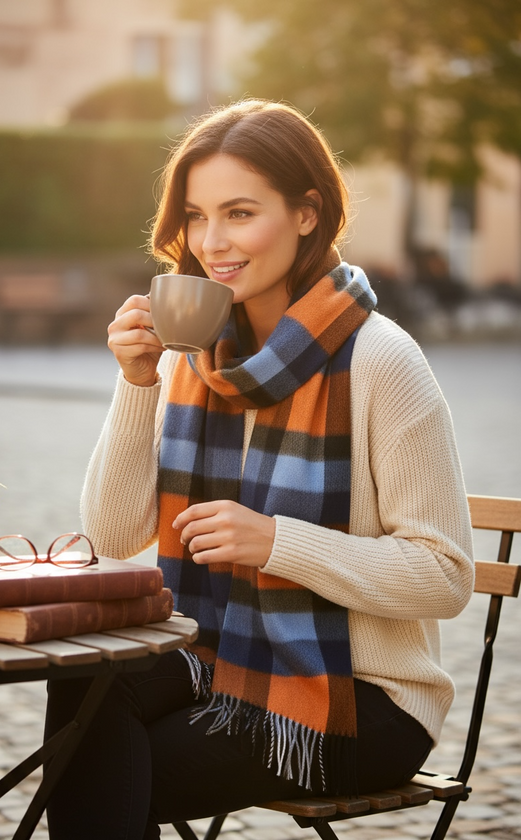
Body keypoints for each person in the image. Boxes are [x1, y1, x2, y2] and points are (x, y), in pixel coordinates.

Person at [44, 99, 474, 840]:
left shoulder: (381, 360)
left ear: (307, 213)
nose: (212, 242)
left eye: (240, 213)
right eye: (196, 216)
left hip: (362, 697)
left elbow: (445, 576)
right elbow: (113, 534)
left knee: (113, 764)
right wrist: (137, 381)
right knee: (86, 689)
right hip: (216, 658)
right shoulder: (196, 355)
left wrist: (277, 541)